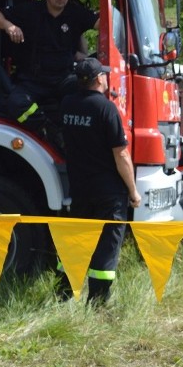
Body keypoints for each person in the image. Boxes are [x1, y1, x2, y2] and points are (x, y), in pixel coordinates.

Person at [58, 58, 141, 305]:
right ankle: (98, 303)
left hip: (80, 189)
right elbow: (121, 154)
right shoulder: (106, 109)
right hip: (109, 193)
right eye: (103, 75)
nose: (106, 77)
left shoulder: (67, 104)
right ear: (98, 79)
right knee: (107, 247)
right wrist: (133, 192)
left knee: (76, 242)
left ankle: (63, 295)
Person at [0, 0, 99, 131]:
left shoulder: (75, 13)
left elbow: (104, 24)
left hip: (65, 78)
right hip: (33, 81)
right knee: (15, 104)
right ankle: (46, 129)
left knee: (92, 98)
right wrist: (9, 26)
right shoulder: (30, 11)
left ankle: (75, 137)